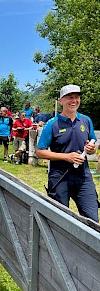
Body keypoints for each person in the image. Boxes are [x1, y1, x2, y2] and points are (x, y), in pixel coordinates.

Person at [36, 84, 98, 222]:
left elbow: (93, 142)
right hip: (59, 178)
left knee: (92, 220)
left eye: (77, 97)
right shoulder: (52, 124)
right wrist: (67, 157)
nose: (74, 101)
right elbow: (40, 152)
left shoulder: (86, 121)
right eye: (69, 97)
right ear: (61, 101)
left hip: (83, 178)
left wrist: (91, 149)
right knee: (60, 221)